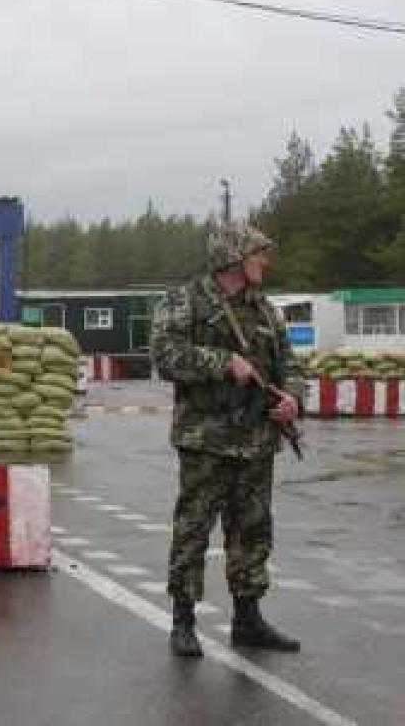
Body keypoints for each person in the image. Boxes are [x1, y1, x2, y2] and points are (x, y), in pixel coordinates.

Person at [151, 221, 304, 658]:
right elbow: (164, 356)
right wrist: (223, 361)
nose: (265, 263)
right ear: (235, 257)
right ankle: (183, 621)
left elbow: (290, 364)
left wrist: (292, 398)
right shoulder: (187, 301)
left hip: (256, 440)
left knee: (253, 530)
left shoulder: (266, 310)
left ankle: (248, 619)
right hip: (206, 440)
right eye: (259, 254)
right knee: (194, 529)